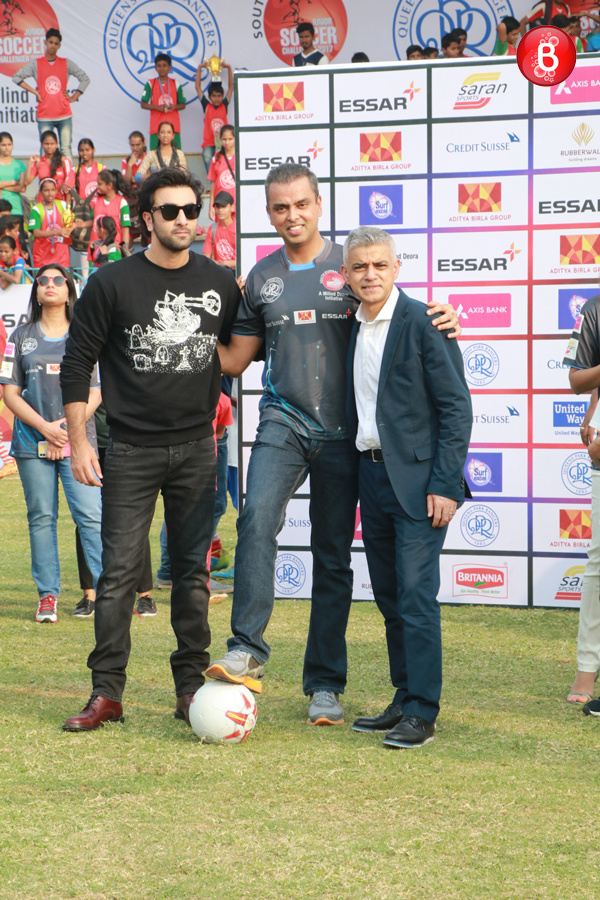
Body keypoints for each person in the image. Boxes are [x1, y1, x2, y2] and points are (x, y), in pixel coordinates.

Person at [206, 163, 460, 725]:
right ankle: (247, 646)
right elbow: (234, 359)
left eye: (300, 204)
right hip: (284, 420)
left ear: (319, 205)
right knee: (254, 520)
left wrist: (443, 314)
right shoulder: (262, 276)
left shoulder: (349, 268)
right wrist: (197, 325)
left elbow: (391, 307)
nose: (291, 215)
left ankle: (325, 683)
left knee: (332, 556)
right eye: (279, 207)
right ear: (268, 213)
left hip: (348, 434)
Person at [59, 167, 242, 732]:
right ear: (147, 219)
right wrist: (80, 443)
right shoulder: (111, 282)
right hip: (130, 449)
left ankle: (190, 690)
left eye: (191, 210)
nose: (183, 220)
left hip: (197, 448)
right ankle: (106, 694)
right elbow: (76, 365)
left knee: (191, 576)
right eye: (170, 211)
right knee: (117, 576)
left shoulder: (219, 280)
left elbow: (240, 351)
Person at [341, 226, 472, 748]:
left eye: (379, 265)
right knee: (391, 595)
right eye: (359, 267)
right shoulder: (348, 324)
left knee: (417, 595)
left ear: (396, 268)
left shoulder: (425, 322)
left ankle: (423, 710)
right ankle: (403, 696)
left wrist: (444, 483)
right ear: (347, 274)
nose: (369, 275)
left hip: (420, 484)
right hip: (370, 476)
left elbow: (456, 407)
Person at [0, 264, 103, 623]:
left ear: (69, 289)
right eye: (42, 280)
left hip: (78, 442)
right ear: (36, 290)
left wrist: (67, 428)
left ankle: (108, 594)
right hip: (32, 443)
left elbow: (96, 391)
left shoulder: (86, 333)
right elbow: (9, 393)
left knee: (91, 516)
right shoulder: (20, 336)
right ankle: (47, 596)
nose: (49, 284)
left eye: (58, 280)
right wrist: (46, 427)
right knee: (41, 519)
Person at [562, 297, 600, 713]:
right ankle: (588, 667)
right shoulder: (595, 309)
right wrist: (593, 414)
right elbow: (578, 380)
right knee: (598, 561)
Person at [13, 28, 90, 159]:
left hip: (63, 114)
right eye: (51, 42)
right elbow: (16, 77)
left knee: (65, 148)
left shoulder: (66, 63)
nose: (53, 46)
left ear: (59, 45)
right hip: (45, 115)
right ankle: (45, 178)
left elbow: (85, 79)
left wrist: (73, 97)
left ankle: (68, 179)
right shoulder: (36, 64)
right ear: (45, 42)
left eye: (56, 43)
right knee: (45, 150)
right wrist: (35, 92)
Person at [140, 53, 186, 151]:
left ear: (170, 67)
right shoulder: (150, 83)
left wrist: (174, 107)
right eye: (159, 66)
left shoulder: (175, 83)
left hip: (173, 127)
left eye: (165, 65)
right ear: (155, 67)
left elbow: (182, 105)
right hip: (156, 126)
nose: (162, 68)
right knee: (155, 158)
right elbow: (143, 104)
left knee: (176, 156)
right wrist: (158, 107)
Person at [28, 177, 72, 269]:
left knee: (61, 281)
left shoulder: (62, 205)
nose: (50, 193)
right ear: (40, 192)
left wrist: (70, 230)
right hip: (42, 255)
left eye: (52, 190)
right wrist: (57, 232)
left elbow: (71, 222)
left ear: (56, 191)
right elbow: (36, 233)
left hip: (61, 255)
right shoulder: (37, 209)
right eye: (46, 190)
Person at [196, 71, 233, 173]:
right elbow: (197, 87)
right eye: (214, 96)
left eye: (219, 96)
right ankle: (211, 183)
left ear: (222, 96)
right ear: (209, 97)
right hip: (209, 143)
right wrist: (200, 68)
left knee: (224, 161)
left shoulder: (224, 105)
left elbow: (231, 88)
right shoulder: (207, 106)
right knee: (207, 156)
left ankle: (222, 180)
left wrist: (228, 68)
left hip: (223, 142)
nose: (217, 99)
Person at [25, 130, 75, 200]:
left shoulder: (64, 161)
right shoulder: (39, 162)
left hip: (60, 204)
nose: (49, 146)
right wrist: (30, 163)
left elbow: (69, 184)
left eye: (52, 144)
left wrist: (67, 206)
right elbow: (27, 182)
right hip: (42, 204)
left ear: (57, 144)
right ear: (42, 144)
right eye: (46, 144)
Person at [207, 124, 235, 221]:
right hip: (221, 205)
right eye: (224, 139)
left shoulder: (240, 158)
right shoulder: (216, 158)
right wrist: (211, 205)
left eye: (230, 139)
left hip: (236, 204)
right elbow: (213, 183)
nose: (227, 142)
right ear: (220, 139)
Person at [203, 191, 236, 271]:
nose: (220, 210)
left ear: (232, 207)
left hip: (236, 274)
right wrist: (219, 264)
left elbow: (246, 258)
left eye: (223, 206)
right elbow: (205, 258)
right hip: (218, 273)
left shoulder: (238, 229)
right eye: (218, 207)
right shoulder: (212, 228)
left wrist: (227, 263)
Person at [0, 132, 26, 223]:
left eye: (9, 144)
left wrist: (2, 185)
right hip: (0, 209)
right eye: (3, 145)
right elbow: (17, 186)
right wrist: (12, 182)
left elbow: (22, 188)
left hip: (15, 209)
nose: (7, 148)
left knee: (18, 237)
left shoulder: (19, 165)